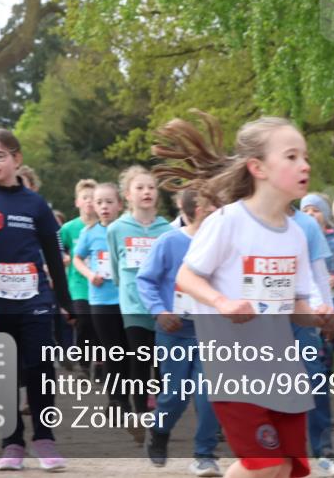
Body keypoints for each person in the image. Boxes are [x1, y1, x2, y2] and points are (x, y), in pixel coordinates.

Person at [164, 111, 334, 478]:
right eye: (291, 156)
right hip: (236, 369)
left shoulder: (296, 233)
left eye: (304, 156)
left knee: (289, 467)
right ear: (257, 167)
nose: (303, 164)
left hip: (283, 369)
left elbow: (293, 305)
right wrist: (222, 302)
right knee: (266, 463)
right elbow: (186, 276)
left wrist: (319, 316)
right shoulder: (227, 222)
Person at [0, 128, 73, 472]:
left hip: (35, 300)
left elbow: (53, 255)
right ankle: (11, 443)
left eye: (0, 156)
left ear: (16, 159)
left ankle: (45, 438)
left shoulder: (35, 204)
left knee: (40, 368)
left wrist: (65, 301)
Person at [136, 186, 222, 475]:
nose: (218, 211)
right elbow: (146, 280)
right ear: (197, 210)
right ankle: (160, 432)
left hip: (212, 332)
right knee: (174, 395)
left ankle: (205, 453)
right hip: (175, 331)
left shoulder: (224, 244)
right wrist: (160, 311)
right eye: (212, 206)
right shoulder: (169, 241)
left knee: (209, 394)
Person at [107, 166, 173, 421]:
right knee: (138, 358)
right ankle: (139, 411)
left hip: (161, 306)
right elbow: (116, 266)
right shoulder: (116, 229)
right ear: (127, 195)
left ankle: (164, 411)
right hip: (133, 305)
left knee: (161, 362)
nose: (146, 192)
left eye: (151, 187)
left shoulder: (167, 230)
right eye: (140, 188)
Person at [288, 202, 334, 477]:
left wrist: (328, 309)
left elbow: (319, 273)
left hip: (305, 314)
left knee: (315, 378)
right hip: (263, 317)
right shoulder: (242, 219)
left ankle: (323, 448)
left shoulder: (307, 224)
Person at [73, 182, 135, 427]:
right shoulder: (90, 233)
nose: (104, 207)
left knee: (130, 352)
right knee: (112, 351)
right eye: (99, 203)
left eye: (109, 202)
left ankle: (128, 401)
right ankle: (116, 401)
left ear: (120, 204)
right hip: (101, 300)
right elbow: (77, 258)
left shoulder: (127, 230)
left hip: (128, 300)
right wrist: (89, 275)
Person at [59, 179, 99, 375]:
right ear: (77, 202)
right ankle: (83, 363)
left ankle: (99, 362)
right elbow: (56, 247)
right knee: (83, 321)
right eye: (85, 198)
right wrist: (64, 256)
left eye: (93, 198)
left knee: (99, 322)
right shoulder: (69, 228)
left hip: (101, 284)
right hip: (77, 283)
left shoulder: (106, 227)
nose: (90, 202)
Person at [301, 193, 334, 323]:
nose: (310, 213)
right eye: (305, 210)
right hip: (305, 310)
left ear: (326, 216)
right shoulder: (296, 242)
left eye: (316, 210)